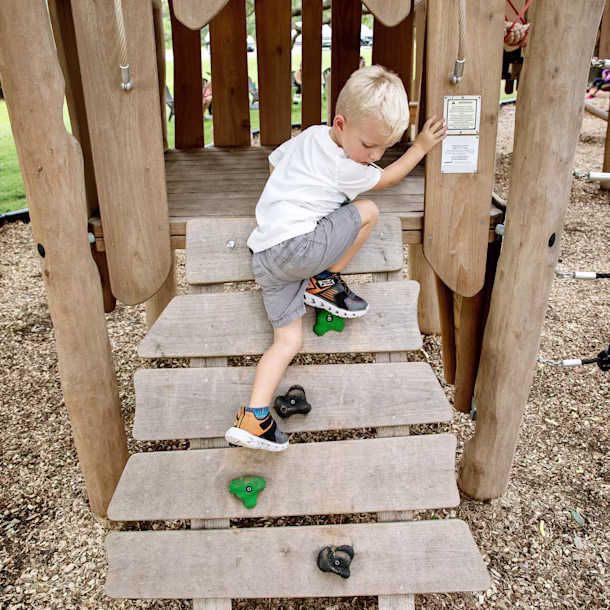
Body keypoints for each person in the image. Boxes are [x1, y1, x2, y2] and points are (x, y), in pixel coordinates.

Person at [224, 65, 447, 452]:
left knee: (287, 341)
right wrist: (421, 146)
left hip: (266, 256)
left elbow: (274, 163)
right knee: (369, 210)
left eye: (383, 150)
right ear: (341, 124)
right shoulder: (346, 166)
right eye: (370, 146)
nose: (374, 156)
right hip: (300, 249)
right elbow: (389, 179)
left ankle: (253, 417)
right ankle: (325, 280)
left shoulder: (311, 135)